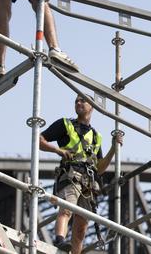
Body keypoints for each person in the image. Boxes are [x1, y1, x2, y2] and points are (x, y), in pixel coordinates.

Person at [39, 95, 123, 253]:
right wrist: (58, 150)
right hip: (71, 175)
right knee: (66, 209)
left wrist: (113, 149)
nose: (78, 103)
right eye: (76, 101)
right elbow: (40, 140)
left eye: (82, 101)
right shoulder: (65, 124)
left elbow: (99, 168)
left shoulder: (96, 137)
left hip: (88, 182)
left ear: (91, 107)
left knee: (81, 226)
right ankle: (60, 240)